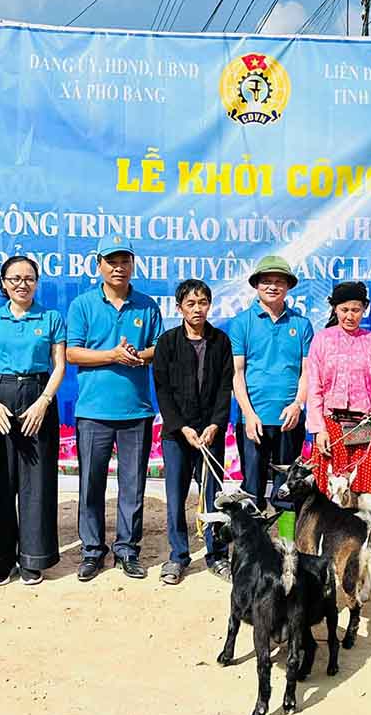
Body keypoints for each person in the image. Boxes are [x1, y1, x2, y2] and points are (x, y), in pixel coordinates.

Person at [66, 236, 163, 582]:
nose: (118, 267)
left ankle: (127, 550)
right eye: (111, 261)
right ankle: (92, 551)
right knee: (91, 485)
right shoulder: (82, 305)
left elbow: (158, 349)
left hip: (136, 411)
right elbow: (72, 353)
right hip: (93, 412)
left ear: (132, 265)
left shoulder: (147, 306)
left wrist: (137, 355)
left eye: (125, 261)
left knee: (132, 486)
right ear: (99, 265)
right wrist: (112, 355)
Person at [0, 255, 66, 586]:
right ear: (3, 283)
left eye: (28, 278)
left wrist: (44, 401)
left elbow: (59, 366)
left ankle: (32, 558)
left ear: (37, 282)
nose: (22, 284)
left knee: (36, 482)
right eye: (14, 278)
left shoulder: (52, 318)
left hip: (38, 397)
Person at [153, 279, 233, 585]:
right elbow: (162, 390)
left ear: (209, 305)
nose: (197, 309)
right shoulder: (168, 342)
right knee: (176, 496)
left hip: (211, 432)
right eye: (191, 303)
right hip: (178, 434)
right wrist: (182, 426)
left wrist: (215, 424)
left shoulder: (221, 342)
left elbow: (225, 388)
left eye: (202, 303)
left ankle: (217, 554)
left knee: (214, 498)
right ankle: (178, 556)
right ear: (179, 308)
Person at [228, 256, 313, 509]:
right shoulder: (242, 322)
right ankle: (253, 547)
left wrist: (298, 404)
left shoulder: (302, 324)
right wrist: (249, 414)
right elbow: (237, 373)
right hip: (254, 420)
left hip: (290, 419)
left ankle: (287, 547)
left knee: (288, 490)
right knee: (251, 491)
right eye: (266, 281)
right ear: (256, 285)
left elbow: (307, 371)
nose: (272, 287)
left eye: (279, 282)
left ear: (288, 286)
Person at [306, 281, 371, 495]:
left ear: (364, 309)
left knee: (366, 495)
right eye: (344, 309)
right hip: (332, 426)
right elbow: (314, 387)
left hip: (364, 426)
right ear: (335, 309)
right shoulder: (322, 340)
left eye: (355, 310)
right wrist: (319, 430)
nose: (349, 316)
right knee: (331, 496)